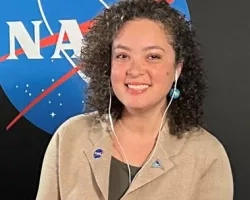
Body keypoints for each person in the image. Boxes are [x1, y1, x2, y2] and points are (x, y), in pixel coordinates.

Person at [35, 0, 234, 199]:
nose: (135, 70)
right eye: (122, 56)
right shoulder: (69, 137)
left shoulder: (207, 155)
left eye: (153, 56)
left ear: (177, 68)